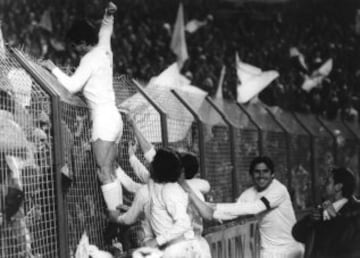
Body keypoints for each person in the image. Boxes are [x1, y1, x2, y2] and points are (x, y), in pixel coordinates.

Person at [42, 2, 123, 212]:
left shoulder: (89, 59)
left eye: (75, 46)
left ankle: (117, 216)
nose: (74, 50)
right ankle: (119, 215)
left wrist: (53, 69)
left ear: (83, 43)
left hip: (103, 120)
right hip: (114, 118)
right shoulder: (104, 49)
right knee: (110, 171)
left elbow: (71, 86)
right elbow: (106, 30)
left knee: (104, 172)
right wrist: (109, 14)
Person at [179, 156, 304, 258]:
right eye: (257, 172)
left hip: (291, 249)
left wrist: (215, 206)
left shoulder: (279, 189)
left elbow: (255, 208)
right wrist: (207, 210)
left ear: (272, 174)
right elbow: (233, 211)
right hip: (269, 251)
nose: (261, 175)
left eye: (265, 171)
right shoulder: (250, 193)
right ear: (251, 174)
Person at [145, 147, 205, 258]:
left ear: (159, 167)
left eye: (154, 161)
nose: (150, 164)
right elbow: (143, 174)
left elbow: (184, 223)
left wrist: (156, 241)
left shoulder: (170, 190)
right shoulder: (158, 186)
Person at [292, 167, 360, 258]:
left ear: (338, 186)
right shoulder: (322, 210)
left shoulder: (356, 210)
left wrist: (335, 217)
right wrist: (310, 221)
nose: (323, 185)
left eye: (328, 182)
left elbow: (349, 242)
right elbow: (296, 234)